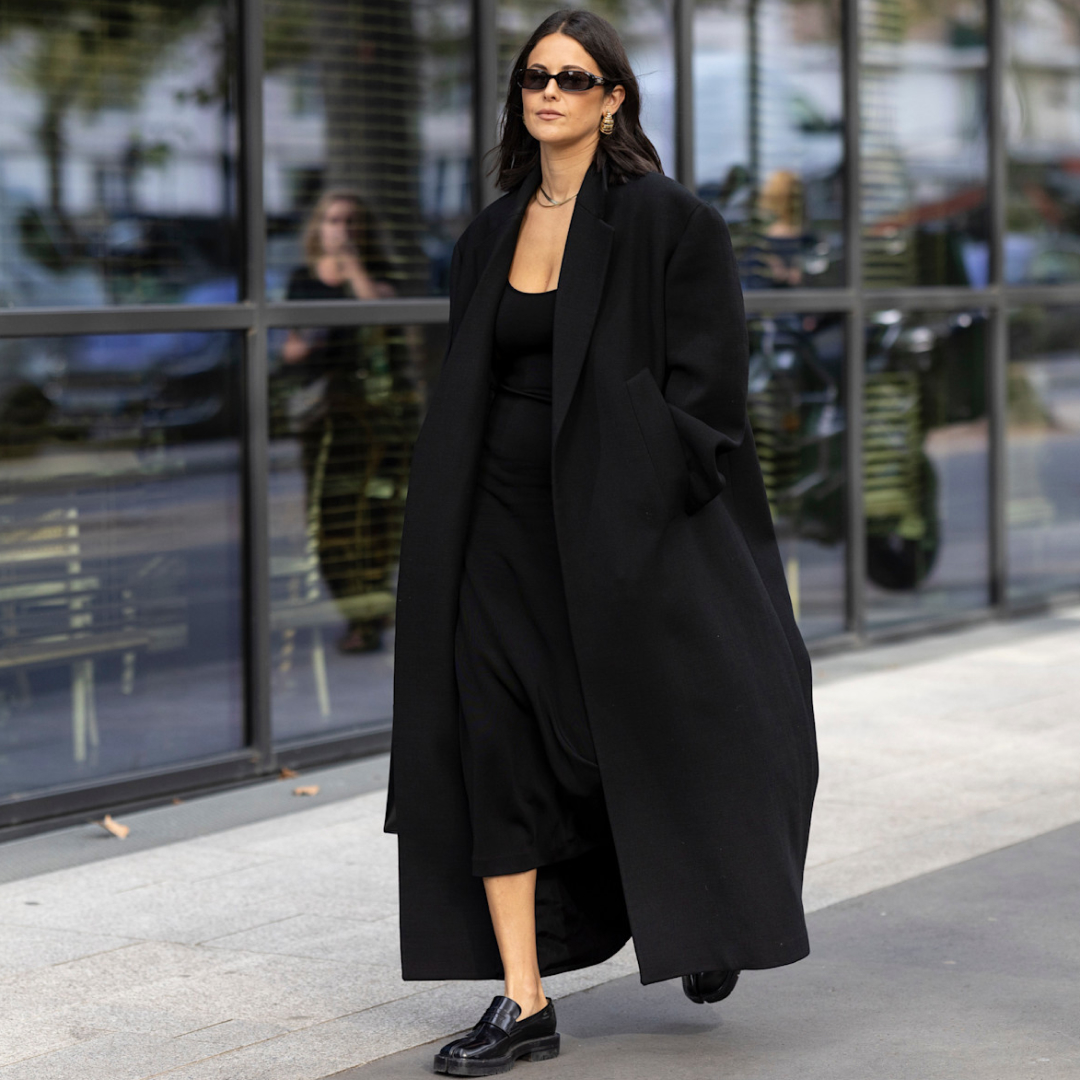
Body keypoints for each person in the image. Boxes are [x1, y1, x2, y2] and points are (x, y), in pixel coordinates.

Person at [383, 9, 818, 1075]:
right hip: (493, 530)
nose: (550, 93)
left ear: (613, 97)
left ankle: (710, 914)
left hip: (626, 533)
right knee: (494, 744)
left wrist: (631, 489)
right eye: (535, 76)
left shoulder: (672, 225)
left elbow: (709, 404)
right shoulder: (489, 233)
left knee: (658, 732)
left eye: (574, 79)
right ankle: (523, 1001)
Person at [281, 191, 413, 654]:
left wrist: (352, 265)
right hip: (322, 415)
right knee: (327, 521)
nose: (341, 229)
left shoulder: (376, 278)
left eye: (351, 221)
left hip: (373, 420)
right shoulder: (302, 279)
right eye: (333, 220)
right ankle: (361, 610)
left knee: (372, 517)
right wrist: (303, 346)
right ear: (318, 227)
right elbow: (291, 346)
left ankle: (368, 618)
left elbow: (380, 317)